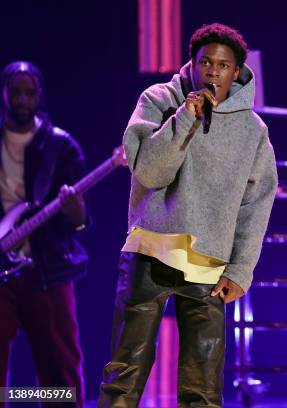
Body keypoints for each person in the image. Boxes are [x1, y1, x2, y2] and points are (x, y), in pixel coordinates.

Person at [97, 23, 277, 407]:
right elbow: (148, 171)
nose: (213, 71)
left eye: (223, 65)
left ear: (238, 71)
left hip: (208, 265)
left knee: (203, 388)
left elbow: (257, 202)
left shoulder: (253, 130)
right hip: (150, 252)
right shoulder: (158, 100)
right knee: (124, 376)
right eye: (206, 62)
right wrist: (184, 117)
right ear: (192, 65)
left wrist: (240, 270)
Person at [0, 61, 89, 407]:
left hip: (46, 271)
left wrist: (74, 210)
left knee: (60, 370)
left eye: (29, 92)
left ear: (40, 96)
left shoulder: (61, 147)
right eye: (15, 92)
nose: (22, 100)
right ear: (4, 94)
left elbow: (80, 222)